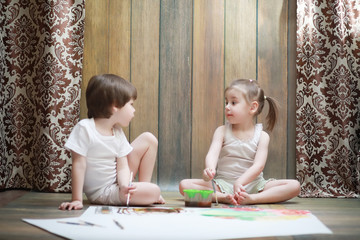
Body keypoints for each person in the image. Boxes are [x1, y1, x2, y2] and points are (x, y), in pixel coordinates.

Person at [179, 79, 300, 205]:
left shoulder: (262, 136)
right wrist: (209, 169)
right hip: (223, 184)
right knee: (184, 185)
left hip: (254, 185)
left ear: (252, 107)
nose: (227, 107)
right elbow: (212, 154)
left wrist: (240, 182)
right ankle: (222, 197)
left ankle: (253, 199)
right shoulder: (222, 131)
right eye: (226, 102)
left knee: (294, 185)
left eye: (233, 102)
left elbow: (258, 166)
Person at [59, 74, 164, 210]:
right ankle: (144, 193)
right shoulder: (85, 128)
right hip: (104, 192)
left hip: (119, 183)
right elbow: (78, 164)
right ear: (115, 105)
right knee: (154, 191)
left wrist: (125, 184)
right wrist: (77, 199)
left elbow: (122, 166)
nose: (134, 110)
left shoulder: (117, 132)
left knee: (149, 139)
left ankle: (140, 188)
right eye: (131, 105)